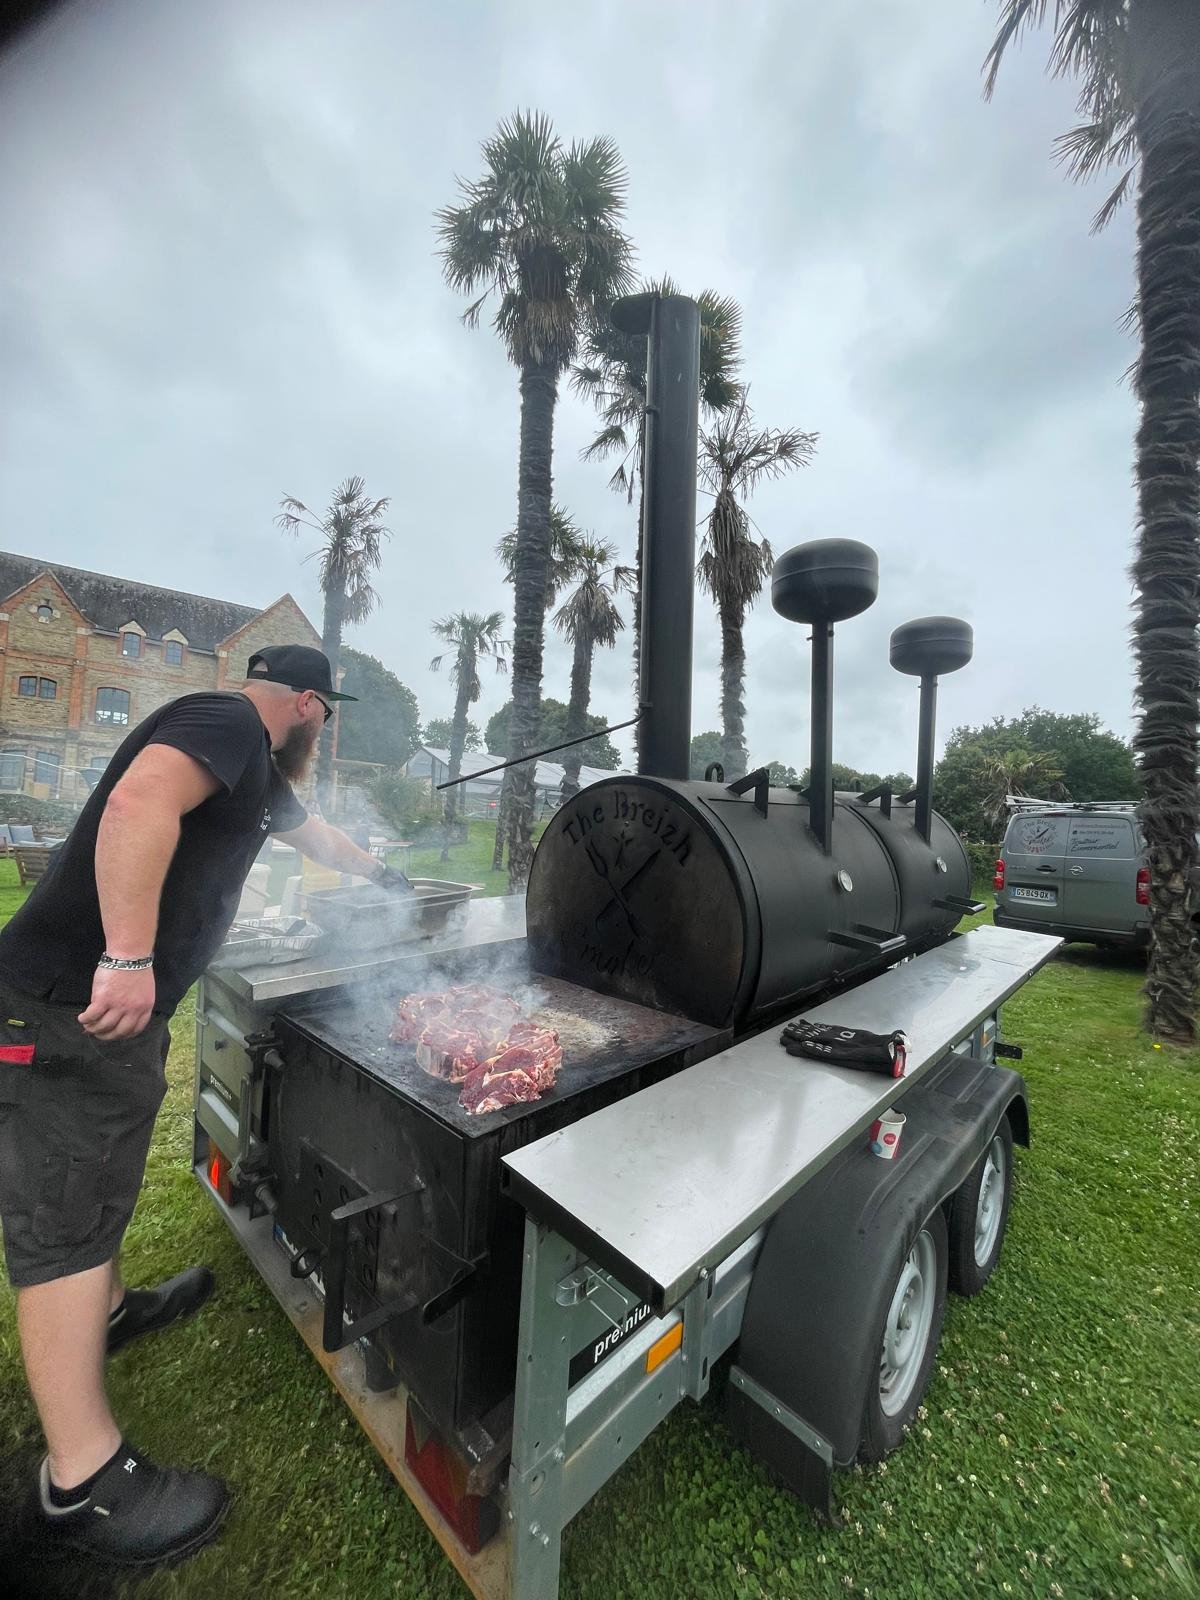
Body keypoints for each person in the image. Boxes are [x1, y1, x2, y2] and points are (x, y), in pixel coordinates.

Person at [0, 644, 411, 1568]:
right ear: (306, 703)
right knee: (64, 1213)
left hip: (99, 1016)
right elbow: (138, 803)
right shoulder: (226, 720)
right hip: (68, 1006)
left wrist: (388, 879)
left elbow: (320, 841)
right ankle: (84, 1481)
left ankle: (110, 1311)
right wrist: (130, 954)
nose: (327, 728)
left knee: (99, 1175)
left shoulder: (258, 774)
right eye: (328, 713)